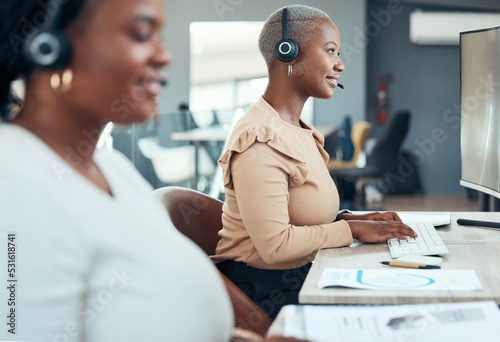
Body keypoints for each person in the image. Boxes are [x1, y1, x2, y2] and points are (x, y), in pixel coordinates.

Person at [0, 1, 306, 341]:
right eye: (142, 34)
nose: (164, 55)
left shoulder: (111, 167)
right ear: (48, 47)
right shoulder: (16, 183)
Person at [211, 5, 417, 319]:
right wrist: (353, 232)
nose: (340, 64)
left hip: (299, 273)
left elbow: (296, 216)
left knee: (406, 288)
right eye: (330, 50)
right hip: (266, 290)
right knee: (404, 306)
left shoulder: (295, 128)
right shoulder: (259, 138)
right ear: (287, 53)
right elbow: (275, 246)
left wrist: (351, 221)